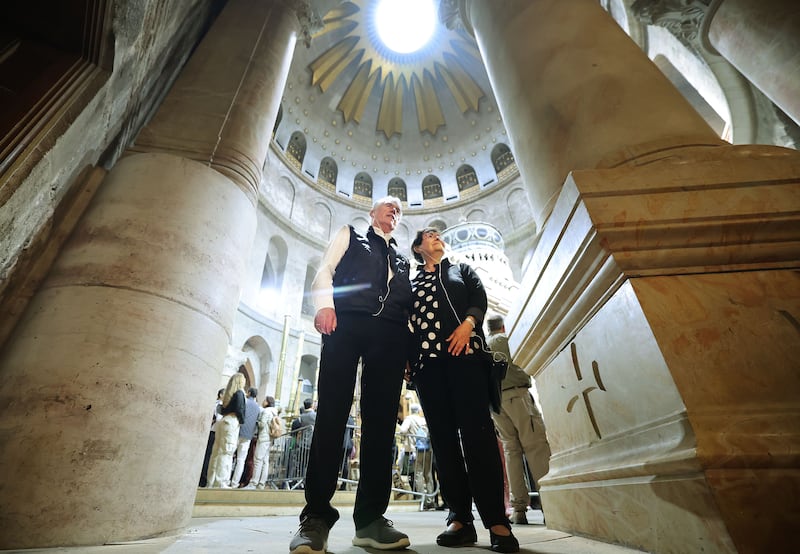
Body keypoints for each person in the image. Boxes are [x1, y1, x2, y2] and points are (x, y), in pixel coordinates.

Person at [289, 196, 413, 554]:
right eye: (388, 206)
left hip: (390, 336)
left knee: (381, 427)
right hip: (347, 324)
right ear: (373, 213)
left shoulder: (403, 260)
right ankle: (315, 519)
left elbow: (406, 309)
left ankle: (371, 520)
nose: (394, 211)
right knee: (331, 414)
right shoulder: (351, 233)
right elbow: (326, 269)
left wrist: (407, 349)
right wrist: (325, 305)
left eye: (399, 210)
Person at [407, 227, 519, 553]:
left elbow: (478, 299)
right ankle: (459, 518)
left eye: (438, 234)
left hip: (465, 358)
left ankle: (497, 520)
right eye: (429, 235)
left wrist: (467, 326)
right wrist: (408, 359)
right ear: (417, 247)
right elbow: (407, 322)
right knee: (443, 442)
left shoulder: (461, 270)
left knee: (478, 437)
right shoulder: (413, 283)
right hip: (428, 369)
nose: (437, 236)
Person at [487, 314, 552, 525]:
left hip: (496, 403)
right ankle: (551, 504)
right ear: (504, 327)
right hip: (517, 396)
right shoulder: (509, 340)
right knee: (536, 448)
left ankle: (519, 509)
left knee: (511, 452)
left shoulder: (484, 344)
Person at [206, 373, 246, 488]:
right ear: (240, 381)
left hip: (223, 421)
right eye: (243, 379)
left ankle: (211, 481)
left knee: (216, 452)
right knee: (226, 453)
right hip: (232, 422)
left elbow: (222, 410)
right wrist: (242, 421)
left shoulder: (229, 394)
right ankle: (221, 482)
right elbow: (240, 410)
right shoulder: (239, 393)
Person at [398, 403, 434, 508]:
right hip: (427, 450)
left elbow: (402, 430)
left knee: (418, 474)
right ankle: (430, 499)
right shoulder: (423, 420)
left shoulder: (409, 419)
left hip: (415, 450)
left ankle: (421, 498)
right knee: (428, 474)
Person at [247, 395, 279, 489]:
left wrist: (257, 421)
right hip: (269, 439)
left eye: (265, 400)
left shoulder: (266, 411)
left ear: (267, 402)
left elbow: (261, 425)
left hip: (263, 437)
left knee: (257, 460)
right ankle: (261, 484)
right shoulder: (274, 412)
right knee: (265, 461)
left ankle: (253, 483)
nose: (263, 401)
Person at [232, 386, 260, 488]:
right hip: (248, 436)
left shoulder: (245, 402)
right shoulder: (258, 407)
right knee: (241, 460)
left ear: (248, 392)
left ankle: (225, 480)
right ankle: (235, 483)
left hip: (238, 432)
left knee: (230, 456)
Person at [199, 388, 224, 487]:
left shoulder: (217, 403)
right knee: (209, 456)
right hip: (214, 432)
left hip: (214, 431)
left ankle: (205, 478)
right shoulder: (218, 404)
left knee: (210, 456)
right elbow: (218, 418)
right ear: (221, 394)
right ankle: (204, 479)